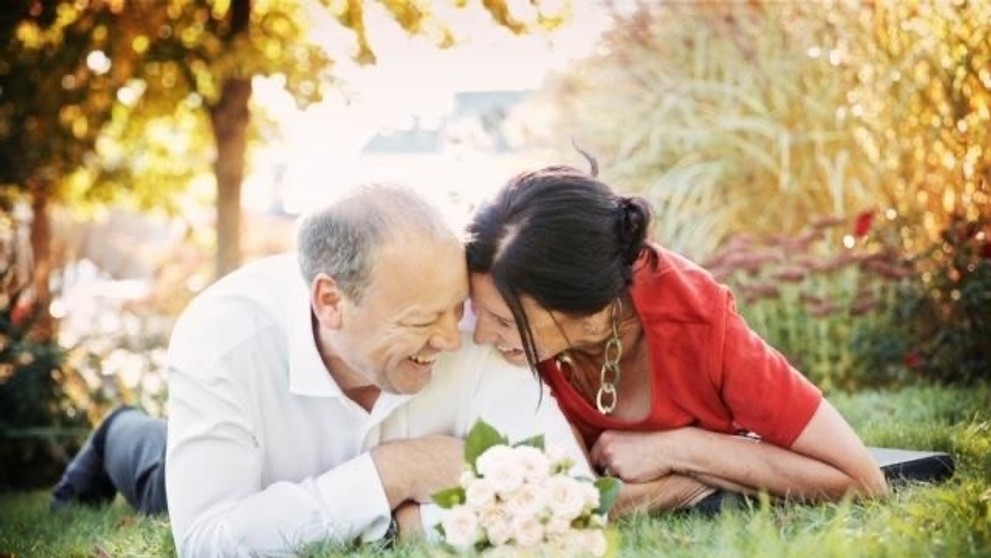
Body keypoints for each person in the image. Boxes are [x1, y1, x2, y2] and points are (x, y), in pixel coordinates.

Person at [51, 183, 588, 556]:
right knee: (154, 473)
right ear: (331, 302)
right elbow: (210, 540)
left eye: (454, 309)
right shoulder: (224, 338)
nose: (451, 337)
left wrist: (414, 526)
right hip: (251, 472)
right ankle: (115, 433)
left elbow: (572, 498)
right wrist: (393, 472)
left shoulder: (477, 328)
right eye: (422, 319)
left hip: (284, 501)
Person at [464, 162, 888, 515]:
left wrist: (680, 450)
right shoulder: (510, 333)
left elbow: (863, 481)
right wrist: (681, 489)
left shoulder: (695, 321)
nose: (481, 335)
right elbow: (586, 501)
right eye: (480, 312)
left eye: (504, 321)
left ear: (583, 303)